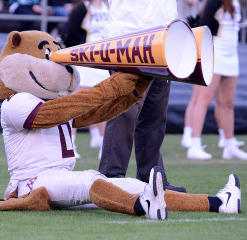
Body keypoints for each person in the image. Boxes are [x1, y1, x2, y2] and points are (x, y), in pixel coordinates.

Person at [98, 0, 186, 193]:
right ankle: (111, 178)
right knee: (124, 112)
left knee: (155, 115)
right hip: (129, 40)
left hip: (163, 39)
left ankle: (153, 177)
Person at [185, 0, 247, 160]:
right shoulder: (216, 1)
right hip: (216, 53)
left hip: (231, 54)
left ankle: (229, 145)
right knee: (203, 100)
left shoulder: (237, 2)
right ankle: (194, 145)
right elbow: (203, 24)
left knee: (227, 103)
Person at [62, 0, 110, 159]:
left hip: (103, 61)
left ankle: (105, 146)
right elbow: (69, 33)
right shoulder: (82, 8)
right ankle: (70, 144)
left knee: (104, 104)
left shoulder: (108, 6)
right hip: (85, 60)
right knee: (77, 103)